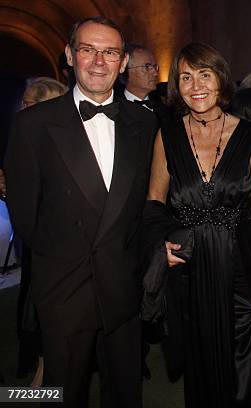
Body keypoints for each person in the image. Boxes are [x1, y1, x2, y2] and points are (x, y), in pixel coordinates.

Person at [4, 16, 158, 408]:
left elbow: (146, 204)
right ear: (70, 56)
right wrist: (61, 265)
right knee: (62, 393)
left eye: (109, 52)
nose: (98, 61)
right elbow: (25, 214)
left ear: (122, 63)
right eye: (88, 50)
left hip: (123, 286)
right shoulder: (33, 124)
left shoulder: (146, 123)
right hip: (64, 290)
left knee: (124, 394)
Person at [145, 42, 251, 408]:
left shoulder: (250, 136)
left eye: (204, 74)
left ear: (220, 79)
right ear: (176, 86)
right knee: (202, 360)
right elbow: (154, 202)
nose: (195, 85)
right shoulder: (167, 136)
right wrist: (160, 247)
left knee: (249, 363)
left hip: (242, 268)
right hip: (189, 271)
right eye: (185, 77)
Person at [14, 76, 68, 388]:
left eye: (29, 103)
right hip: (44, 248)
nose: (23, 108)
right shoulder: (28, 141)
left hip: (60, 252)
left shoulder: (56, 142)